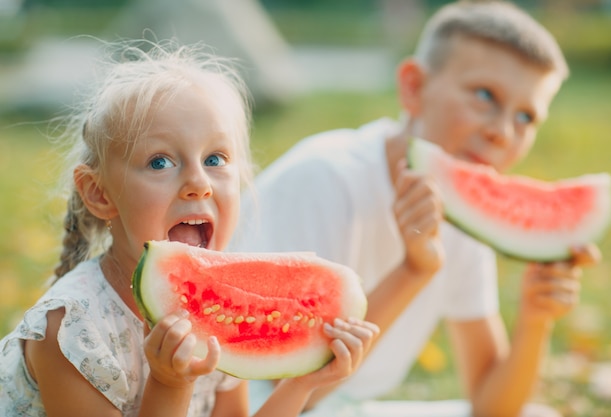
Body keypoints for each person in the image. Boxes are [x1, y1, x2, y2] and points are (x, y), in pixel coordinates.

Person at [229, 1, 600, 417]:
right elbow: (296, 389)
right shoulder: (323, 180)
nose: (501, 132)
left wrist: (536, 319)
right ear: (413, 87)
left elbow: (493, 406)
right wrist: (414, 269)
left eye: (526, 117)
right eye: (485, 96)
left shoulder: (462, 213)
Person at [0, 39, 379, 417]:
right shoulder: (69, 332)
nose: (200, 183)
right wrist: (170, 384)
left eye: (215, 158)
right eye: (160, 162)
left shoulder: (224, 309)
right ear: (100, 194)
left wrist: (302, 380)